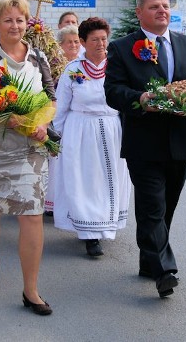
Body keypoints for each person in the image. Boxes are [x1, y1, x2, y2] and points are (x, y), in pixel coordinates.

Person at [104, 0, 186, 298]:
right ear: (139, 13)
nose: (162, 10)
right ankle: (164, 270)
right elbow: (113, 91)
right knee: (151, 207)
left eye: (165, 6)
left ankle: (149, 259)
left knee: (167, 206)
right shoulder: (122, 47)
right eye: (155, 6)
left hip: (182, 140)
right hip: (144, 141)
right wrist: (140, 98)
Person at [0, 0, 55, 315]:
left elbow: (50, 96)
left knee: (32, 215)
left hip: (31, 149)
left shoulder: (38, 59)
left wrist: (43, 122)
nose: (15, 25)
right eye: (8, 20)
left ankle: (30, 290)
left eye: (20, 19)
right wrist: (11, 119)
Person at [52, 17, 131, 257]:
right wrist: (57, 137)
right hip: (81, 129)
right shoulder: (73, 69)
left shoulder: (117, 66)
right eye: (94, 39)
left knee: (109, 178)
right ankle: (89, 234)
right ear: (83, 42)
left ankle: (106, 224)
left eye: (104, 39)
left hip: (110, 127)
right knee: (85, 180)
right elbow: (61, 107)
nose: (100, 44)